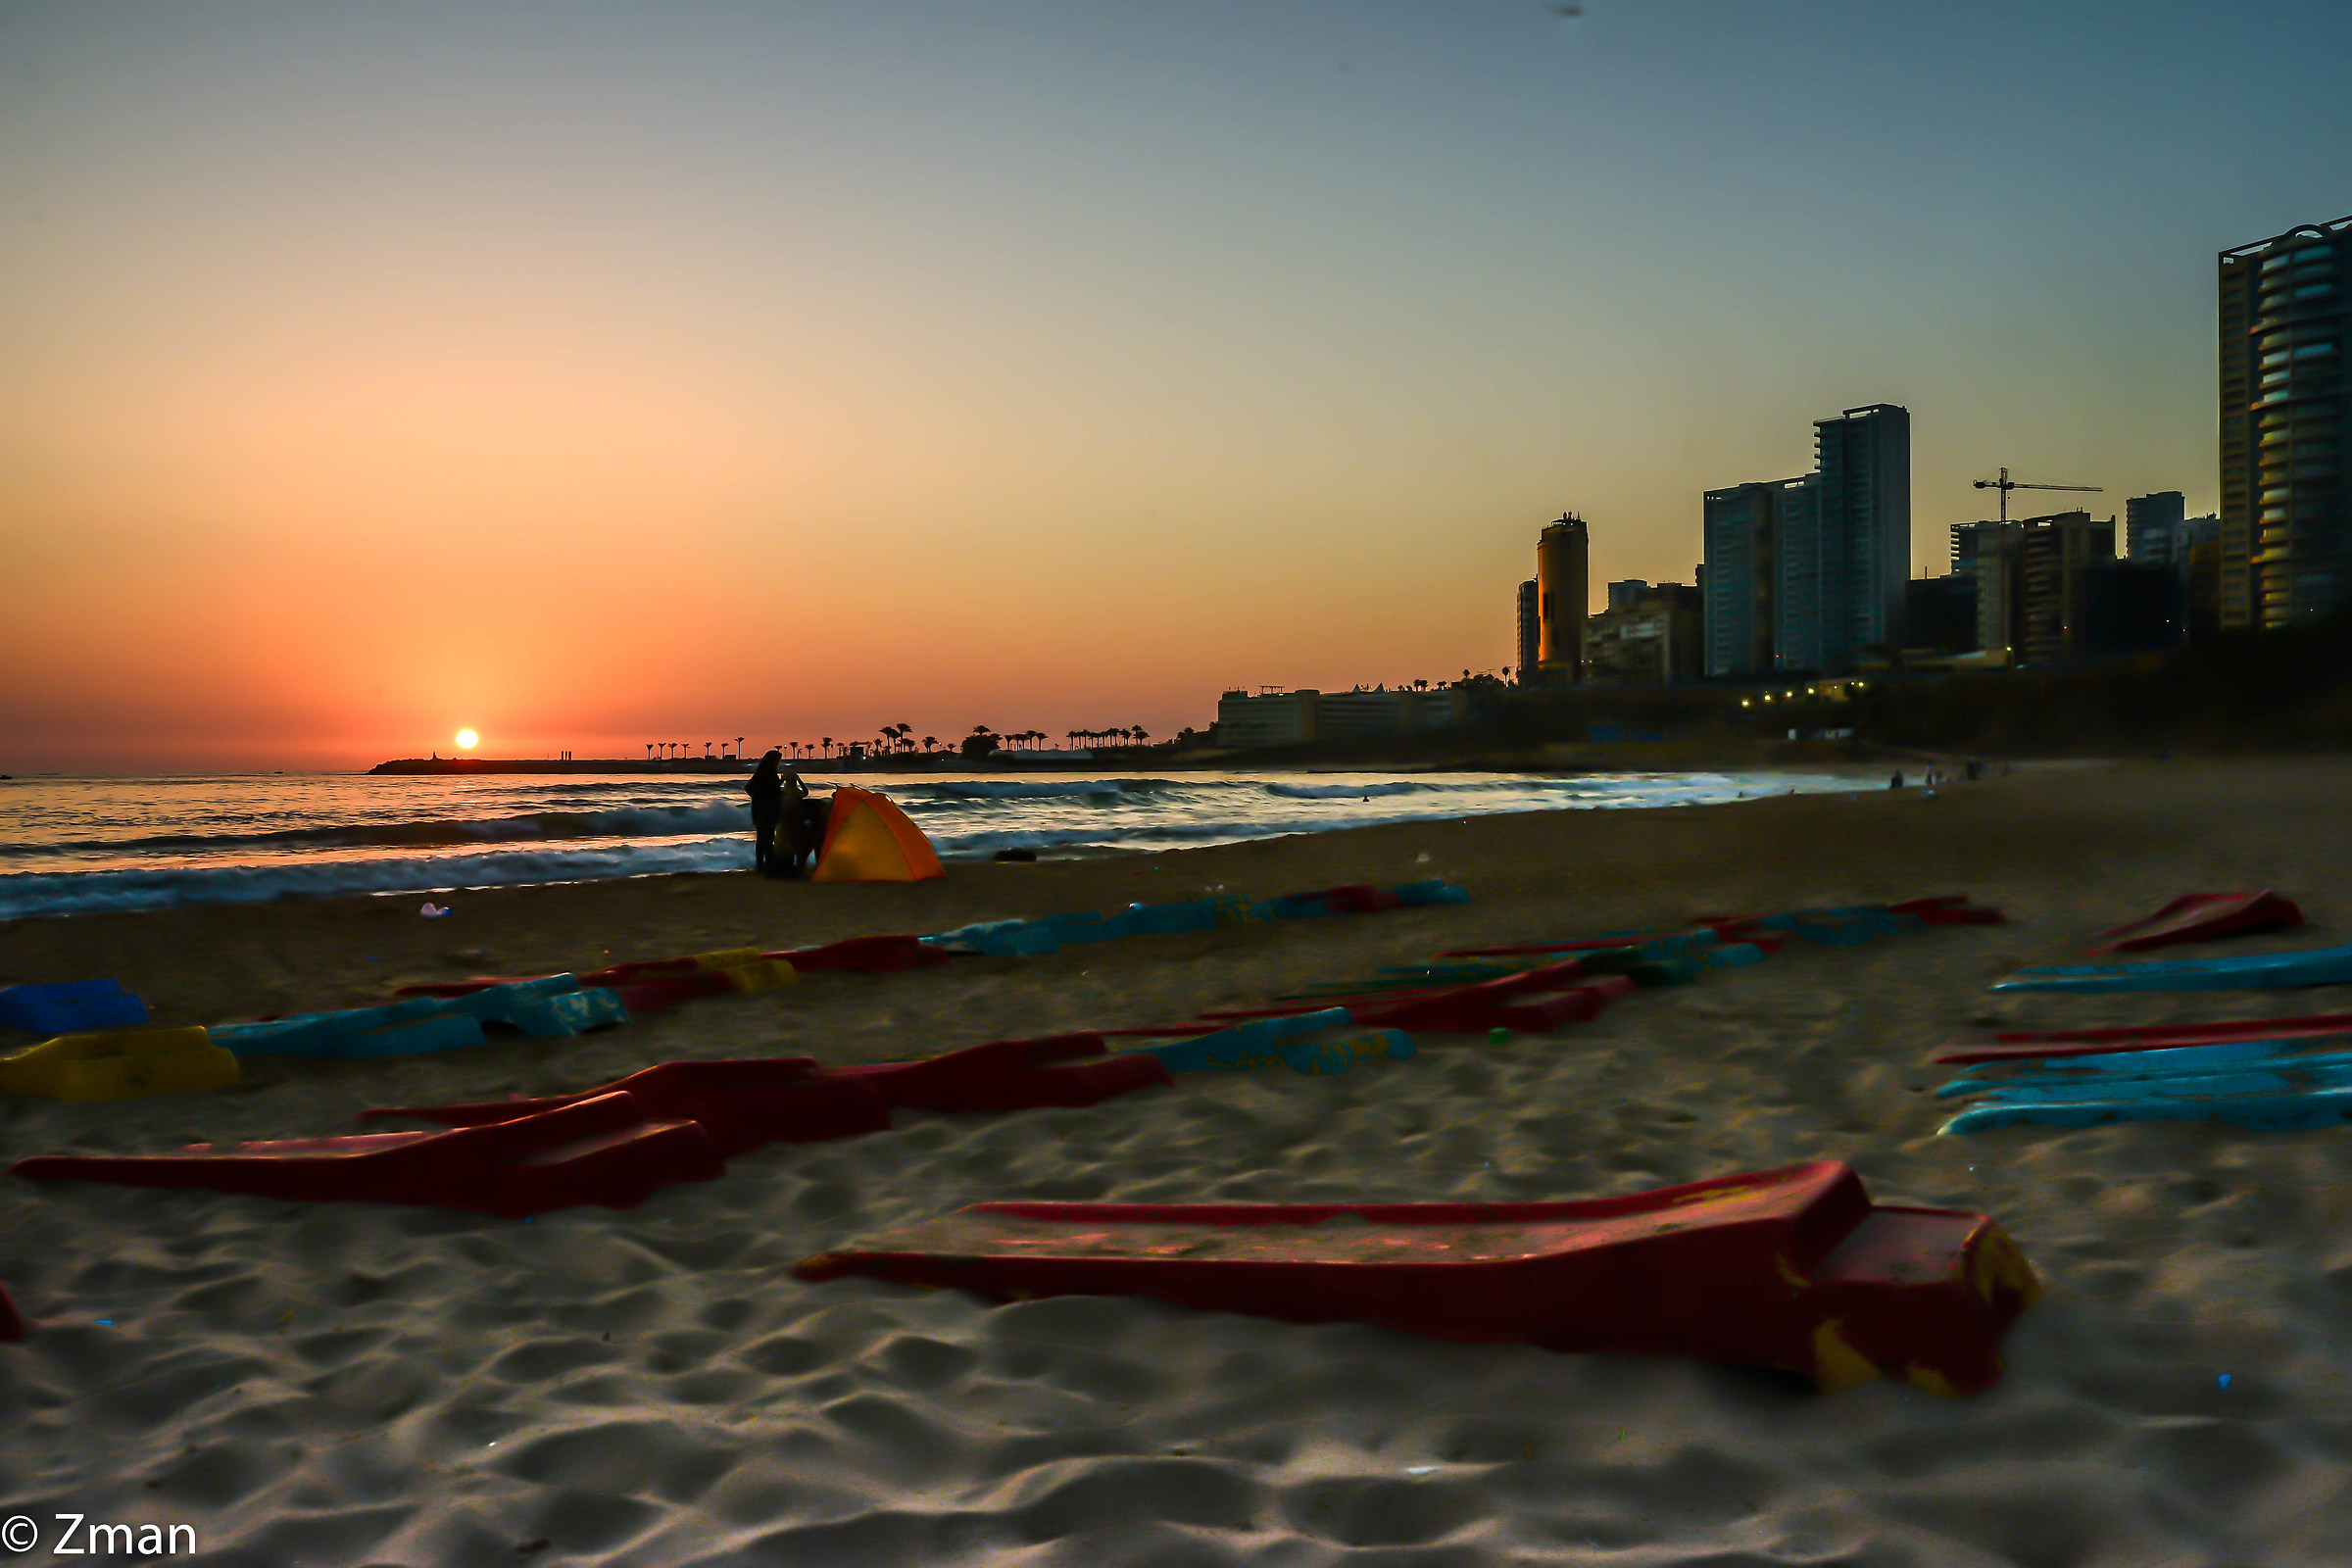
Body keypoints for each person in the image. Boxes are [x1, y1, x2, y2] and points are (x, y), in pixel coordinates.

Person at [747, 751, 785, 875]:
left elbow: (770, 789)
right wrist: (761, 809)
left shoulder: (767, 773)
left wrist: (781, 782)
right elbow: (760, 791)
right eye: (777, 760)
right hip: (764, 811)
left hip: (767, 810)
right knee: (765, 839)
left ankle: (764, 865)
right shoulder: (766, 773)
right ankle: (765, 865)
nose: (778, 763)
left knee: (765, 838)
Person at [780, 764, 817, 877]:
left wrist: (782, 780)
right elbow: (806, 791)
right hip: (796, 820)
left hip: (786, 820)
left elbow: (774, 790)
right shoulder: (795, 792)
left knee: (787, 844)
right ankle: (795, 867)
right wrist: (799, 779)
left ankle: (789, 866)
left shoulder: (784, 793)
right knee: (796, 845)